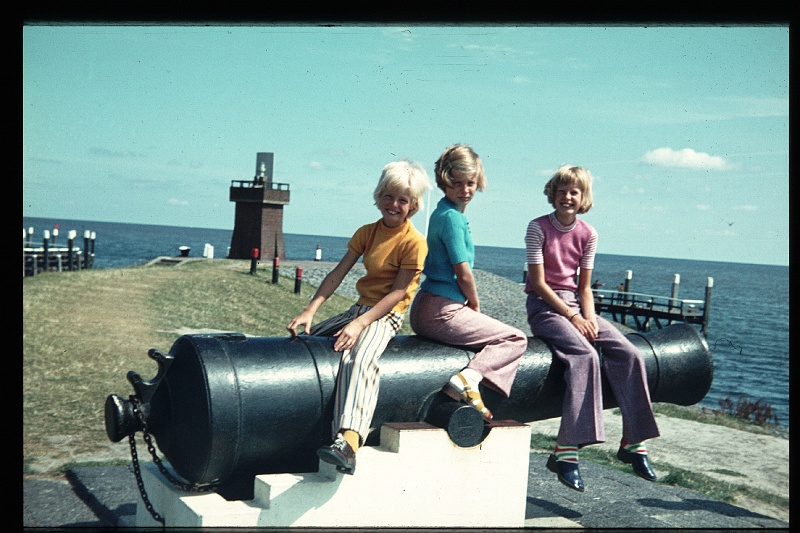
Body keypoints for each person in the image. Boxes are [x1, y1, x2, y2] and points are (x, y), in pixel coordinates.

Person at [286, 159, 431, 475]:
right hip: (359, 309)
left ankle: (349, 442)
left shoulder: (414, 242)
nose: (394, 205)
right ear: (379, 196)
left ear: (414, 206)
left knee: (360, 358)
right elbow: (338, 273)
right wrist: (310, 311)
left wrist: (361, 323)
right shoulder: (367, 233)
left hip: (385, 315)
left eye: (403, 200)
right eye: (389, 196)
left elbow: (396, 294)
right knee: (307, 343)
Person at [524, 165, 660, 492]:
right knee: (585, 356)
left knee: (629, 353)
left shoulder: (589, 233)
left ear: (583, 197)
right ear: (552, 193)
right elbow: (539, 284)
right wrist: (574, 320)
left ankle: (633, 442)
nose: (567, 197)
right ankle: (566, 452)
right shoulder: (537, 228)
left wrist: (589, 320)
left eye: (575, 192)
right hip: (545, 307)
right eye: (562, 190)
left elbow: (584, 288)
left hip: (576, 303)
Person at [409, 144, 527, 422]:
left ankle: (455, 395)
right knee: (515, 338)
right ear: (445, 182)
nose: (465, 190)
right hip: (442, 310)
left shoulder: (444, 213)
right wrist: (474, 304)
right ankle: (469, 379)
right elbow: (463, 273)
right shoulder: (452, 219)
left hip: (428, 306)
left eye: (470, 183)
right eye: (457, 183)